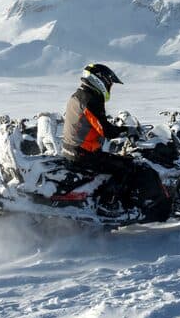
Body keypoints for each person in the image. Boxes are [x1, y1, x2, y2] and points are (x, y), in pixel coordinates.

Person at [61, 63, 171, 221]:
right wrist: (127, 130)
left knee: (119, 161)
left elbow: (92, 124)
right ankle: (109, 205)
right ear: (100, 80)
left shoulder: (79, 95)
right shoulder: (90, 99)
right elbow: (105, 130)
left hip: (73, 149)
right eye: (109, 83)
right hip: (84, 153)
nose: (110, 87)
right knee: (127, 167)